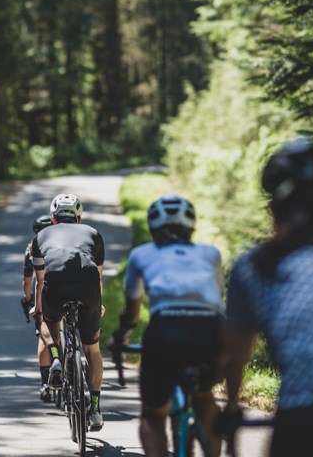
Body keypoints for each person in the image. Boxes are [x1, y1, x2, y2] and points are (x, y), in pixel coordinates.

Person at [221, 138, 313, 457]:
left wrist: (232, 407)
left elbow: (235, 356)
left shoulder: (257, 266)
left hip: (306, 418)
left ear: (273, 212)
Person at [108, 194, 226, 457]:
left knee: (153, 415)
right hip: (210, 329)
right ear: (191, 226)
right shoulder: (210, 253)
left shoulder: (141, 254)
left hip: (165, 331)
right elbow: (218, 299)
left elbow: (132, 312)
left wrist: (121, 337)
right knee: (205, 396)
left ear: (153, 228)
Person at [29, 193, 107, 430]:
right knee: (92, 349)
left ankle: (55, 358)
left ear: (53, 217)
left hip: (56, 286)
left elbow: (40, 280)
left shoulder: (40, 237)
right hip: (88, 289)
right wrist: (98, 303)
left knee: (47, 322)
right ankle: (95, 409)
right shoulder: (93, 233)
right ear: (78, 216)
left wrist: (38, 307)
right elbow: (99, 275)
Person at [22, 214, 55, 402]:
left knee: (44, 334)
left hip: (42, 292)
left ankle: (45, 383)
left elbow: (28, 280)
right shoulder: (62, 240)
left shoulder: (31, 247)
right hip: (70, 289)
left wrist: (28, 300)